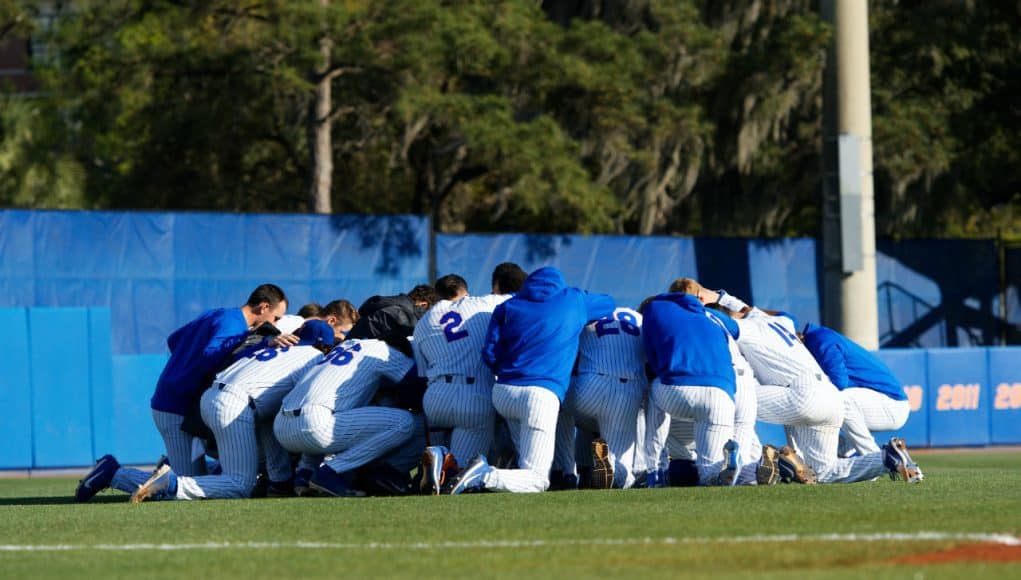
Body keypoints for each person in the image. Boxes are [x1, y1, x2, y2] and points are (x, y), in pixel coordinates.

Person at [686, 280, 923, 485]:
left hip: (803, 395)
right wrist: (720, 297)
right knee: (823, 471)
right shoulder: (782, 321)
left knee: (733, 396)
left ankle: (754, 462)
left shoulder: (747, 328)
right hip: (828, 398)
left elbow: (727, 321)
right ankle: (886, 458)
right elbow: (747, 309)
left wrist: (695, 308)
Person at [74, 284, 289, 502]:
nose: (276, 323)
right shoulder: (234, 326)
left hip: (172, 396)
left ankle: (168, 466)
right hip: (176, 404)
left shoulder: (220, 314)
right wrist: (258, 346)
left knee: (192, 483)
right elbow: (209, 358)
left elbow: (174, 339)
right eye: (276, 317)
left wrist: (184, 361)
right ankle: (113, 473)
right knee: (187, 486)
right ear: (263, 307)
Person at [445, 266, 615, 494]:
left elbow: (490, 354)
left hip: (504, 391)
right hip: (540, 394)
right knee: (537, 480)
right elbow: (609, 303)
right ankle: (484, 475)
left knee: (526, 468)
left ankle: (461, 465)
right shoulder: (573, 299)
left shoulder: (508, 306)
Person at [129, 321, 336, 502]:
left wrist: (280, 479)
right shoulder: (314, 356)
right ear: (324, 346)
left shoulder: (278, 347)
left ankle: (279, 482)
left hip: (212, 397)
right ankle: (171, 484)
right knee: (240, 485)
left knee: (265, 420)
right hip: (235, 405)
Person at [272, 336, 416, 497]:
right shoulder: (387, 351)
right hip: (314, 424)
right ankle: (330, 471)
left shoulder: (350, 344)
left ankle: (304, 475)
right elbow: (416, 383)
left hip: (281, 426)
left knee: (331, 411)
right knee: (405, 422)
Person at [412, 272, 514, 493]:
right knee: (462, 477)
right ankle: (442, 461)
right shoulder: (482, 303)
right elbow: (517, 298)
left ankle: (438, 454)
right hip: (473, 396)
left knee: (453, 469)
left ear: (437, 296)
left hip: (435, 397)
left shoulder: (423, 322)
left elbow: (422, 371)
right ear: (465, 292)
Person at [640, 292, 741, 487]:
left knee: (652, 391)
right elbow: (732, 337)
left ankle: (655, 472)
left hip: (680, 388)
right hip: (723, 393)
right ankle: (721, 469)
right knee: (708, 472)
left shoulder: (655, 308)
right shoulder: (709, 317)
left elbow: (652, 356)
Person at [555, 306, 648, 489]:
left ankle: (564, 471)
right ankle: (615, 469)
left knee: (553, 398)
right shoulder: (641, 320)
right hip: (626, 395)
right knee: (622, 468)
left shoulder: (587, 313)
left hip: (588, 390)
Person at [800, 322, 910, 455]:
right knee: (835, 450)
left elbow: (839, 382)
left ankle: (875, 458)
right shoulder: (816, 339)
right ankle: (844, 455)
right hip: (875, 402)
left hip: (892, 404)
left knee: (840, 400)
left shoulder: (820, 339)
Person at [346, 284, 439, 357]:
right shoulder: (403, 313)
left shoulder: (384, 305)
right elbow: (408, 350)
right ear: (423, 304)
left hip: (347, 352)